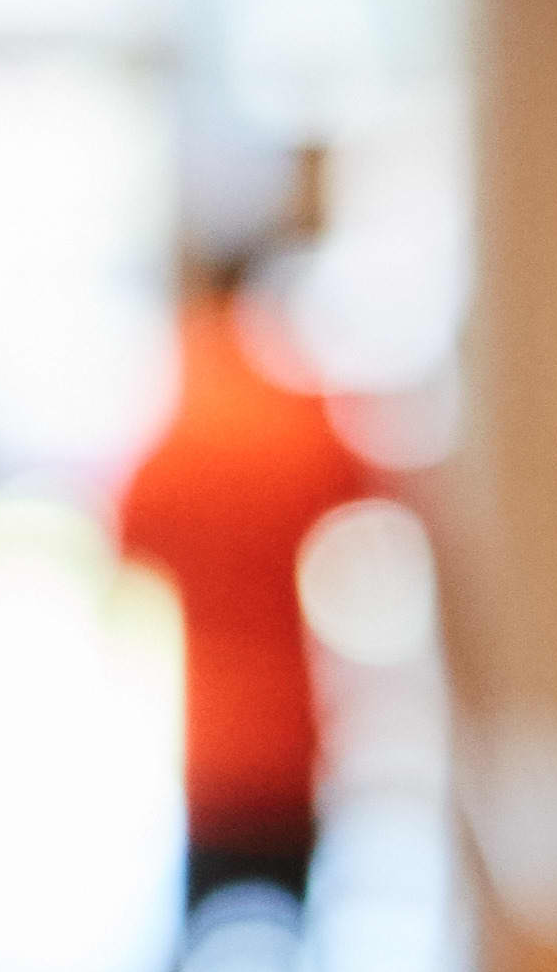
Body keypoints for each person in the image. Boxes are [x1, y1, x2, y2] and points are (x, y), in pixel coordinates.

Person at [113, 239, 383, 919]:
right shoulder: (298, 416)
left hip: (207, 732)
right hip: (291, 724)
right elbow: (366, 492)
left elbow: (127, 544)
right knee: (295, 931)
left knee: (196, 931)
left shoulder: (180, 427)